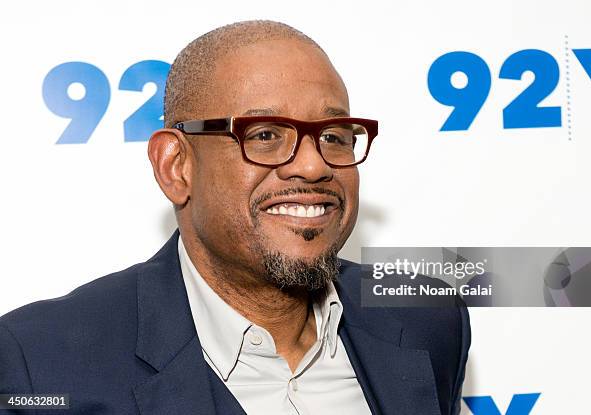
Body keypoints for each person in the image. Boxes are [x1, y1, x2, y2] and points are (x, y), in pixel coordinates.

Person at [0, 20, 470, 414]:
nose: (313, 165)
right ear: (175, 166)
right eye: (265, 134)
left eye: (334, 135)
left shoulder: (427, 317)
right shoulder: (39, 361)